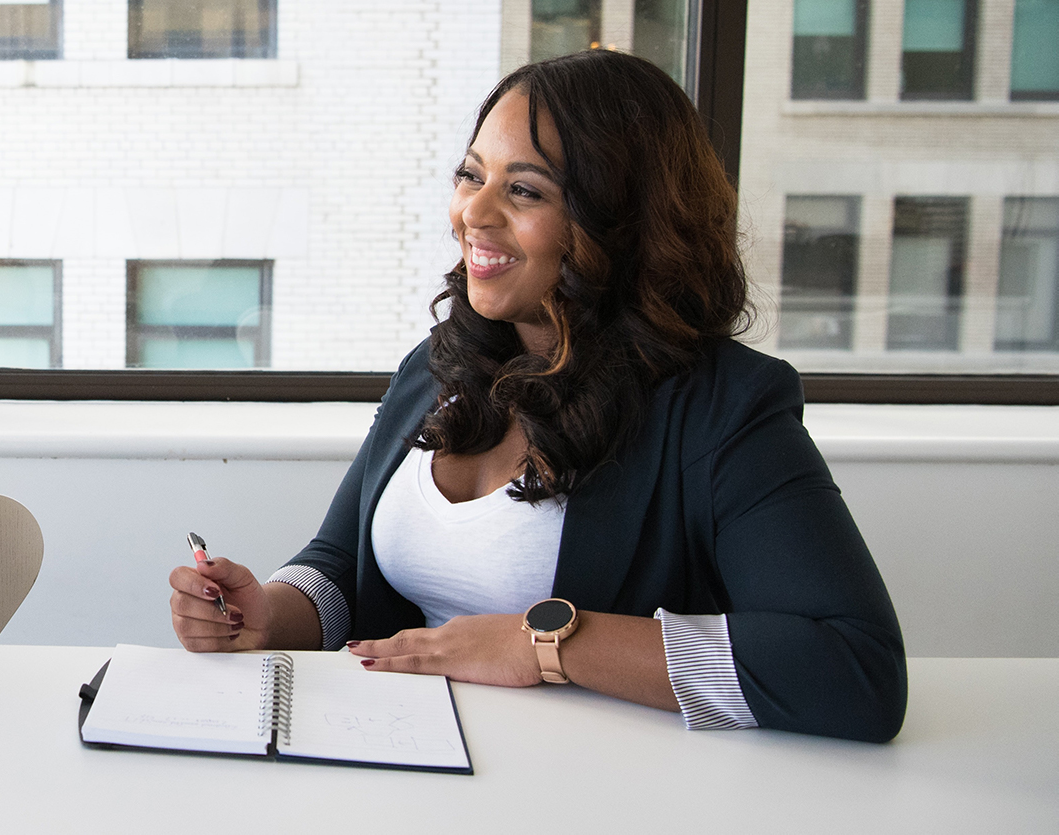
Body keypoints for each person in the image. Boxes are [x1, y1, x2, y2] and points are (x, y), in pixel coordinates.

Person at [167, 50, 906, 743]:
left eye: (523, 190)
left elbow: (854, 667)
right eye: (470, 174)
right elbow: (341, 563)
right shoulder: (437, 365)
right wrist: (269, 612)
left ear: (622, 221)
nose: (473, 214)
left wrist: (547, 641)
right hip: (402, 763)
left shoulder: (723, 406)